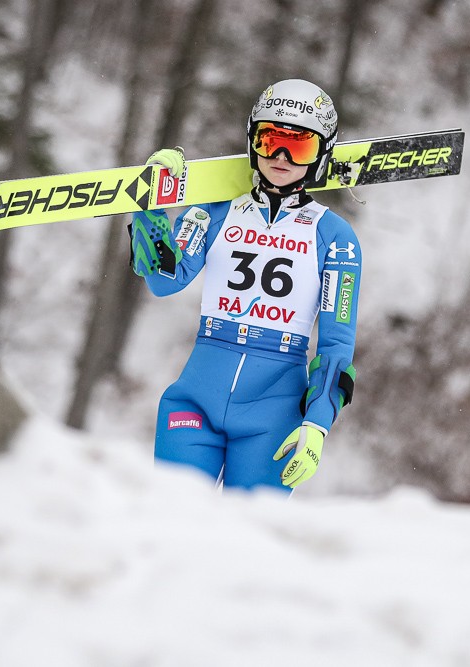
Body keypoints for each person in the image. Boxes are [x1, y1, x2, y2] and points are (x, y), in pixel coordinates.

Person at [129, 79, 361, 493]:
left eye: (299, 146)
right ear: (252, 141)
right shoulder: (215, 211)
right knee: (170, 521)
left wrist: (317, 424)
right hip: (194, 401)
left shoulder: (335, 237)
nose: (281, 157)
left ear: (322, 153)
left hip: (274, 417)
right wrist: (152, 203)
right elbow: (164, 280)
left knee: (243, 533)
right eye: (270, 140)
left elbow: (336, 345)